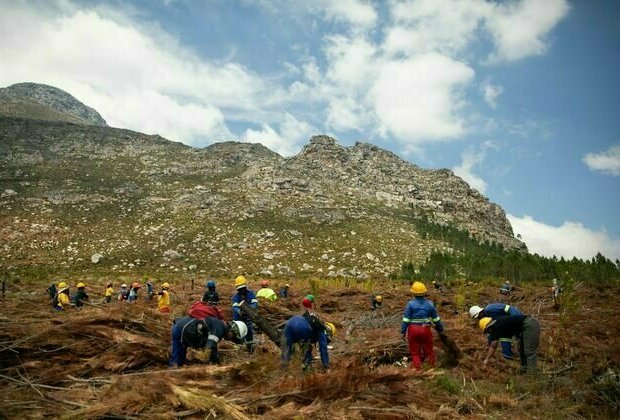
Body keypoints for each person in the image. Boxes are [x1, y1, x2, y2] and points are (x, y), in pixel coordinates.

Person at [169, 317, 248, 367]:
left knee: (178, 357)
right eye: (233, 338)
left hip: (181, 325)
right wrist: (216, 363)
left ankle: (173, 371)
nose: (230, 340)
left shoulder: (219, 325)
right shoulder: (220, 328)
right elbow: (210, 346)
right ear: (233, 330)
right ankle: (172, 375)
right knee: (179, 355)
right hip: (185, 328)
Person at [401, 281, 445, 370]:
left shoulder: (410, 304)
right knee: (429, 351)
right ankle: (431, 370)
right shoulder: (430, 304)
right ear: (425, 292)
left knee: (415, 352)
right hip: (425, 329)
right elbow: (436, 319)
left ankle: (419, 371)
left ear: (413, 293)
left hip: (413, 330)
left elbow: (406, 320)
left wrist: (403, 331)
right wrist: (440, 329)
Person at [231, 276, 258, 352]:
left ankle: (250, 349)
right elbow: (235, 307)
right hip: (238, 320)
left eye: (243, 288)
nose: (242, 290)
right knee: (238, 334)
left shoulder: (250, 294)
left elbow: (255, 303)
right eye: (240, 289)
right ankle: (237, 351)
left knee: (249, 332)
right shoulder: (235, 297)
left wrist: (249, 309)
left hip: (248, 318)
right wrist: (240, 311)